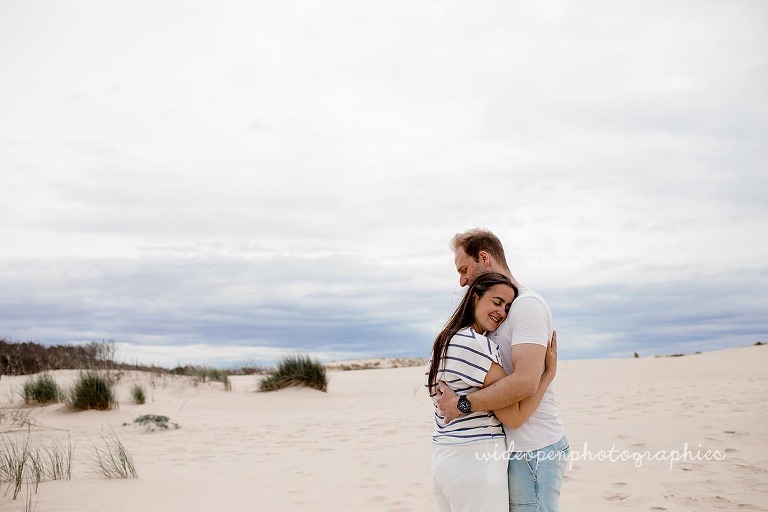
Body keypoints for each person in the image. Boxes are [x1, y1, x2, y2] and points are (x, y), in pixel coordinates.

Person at [435, 228, 568, 512]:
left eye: (464, 269)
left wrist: (461, 404)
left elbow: (525, 382)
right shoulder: (489, 321)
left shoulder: (527, 306)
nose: (462, 281)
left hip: (533, 448)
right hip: (509, 449)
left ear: (484, 258)